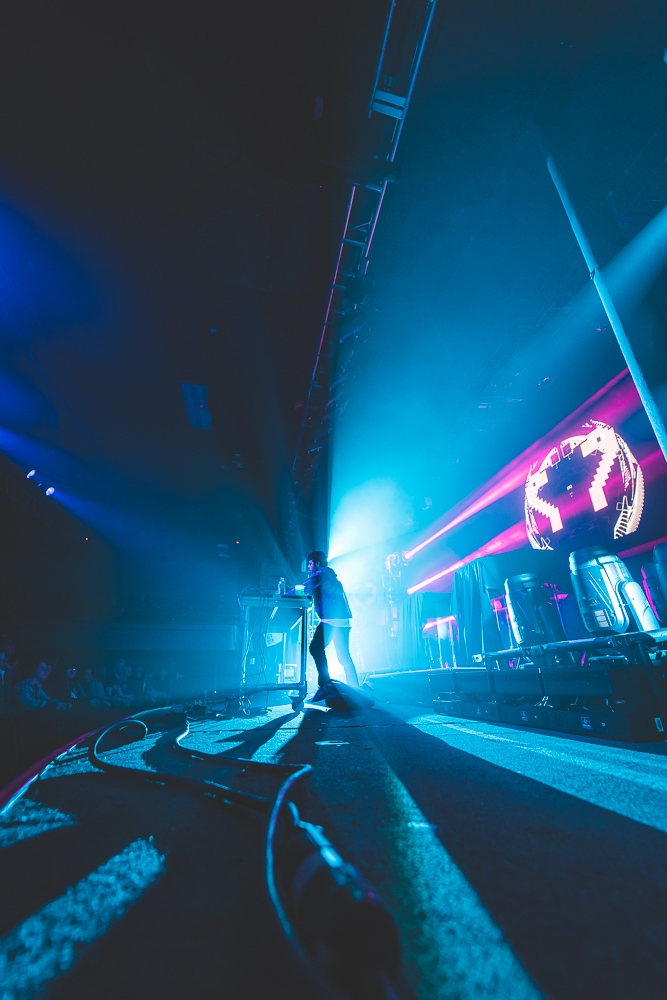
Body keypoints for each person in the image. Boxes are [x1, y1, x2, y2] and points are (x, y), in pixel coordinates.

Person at [301, 551, 359, 701]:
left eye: (310, 563)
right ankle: (356, 688)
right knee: (344, 656)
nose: (308, 567)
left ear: (317, 564)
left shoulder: (321, 574)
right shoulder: (329, 575)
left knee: (315, 648)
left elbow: (301, 589)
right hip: (342, 620)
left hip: (332, 620)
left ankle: (325, 685)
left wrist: (281, 595)